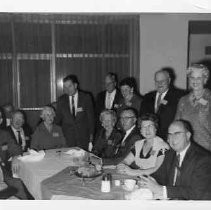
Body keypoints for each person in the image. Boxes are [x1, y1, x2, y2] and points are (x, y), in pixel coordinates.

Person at [139, 120, 211, 200]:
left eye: (177, 134)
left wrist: (162, 190)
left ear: (188, 135)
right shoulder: (170, 154)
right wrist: (148, 180)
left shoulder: (204, 159)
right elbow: (160, 176)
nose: (172, 138)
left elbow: (197, 192)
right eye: (169, 135)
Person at [141, 69, 185, 141]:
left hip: (170, 139)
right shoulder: (147, 97)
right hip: (149, 138)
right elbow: (142, 118)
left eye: (163, 81)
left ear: (169, 80)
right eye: (157, 81)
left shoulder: (179, 96)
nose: (159, 83)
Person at [175, 64, 211, 152]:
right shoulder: (183, 101)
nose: (195, 81)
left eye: (199, 78)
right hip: (186, 149)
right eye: (192, 77)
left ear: (205, 79)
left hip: (206, 149)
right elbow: (176, 125)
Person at [55, 74, 95, 150]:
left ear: (75, 85)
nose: (67, 89)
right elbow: (58, 120)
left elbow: (91, 119)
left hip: (83, 138)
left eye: (70, 86)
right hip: (68, 138)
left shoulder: (86, 97)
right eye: (65, 87)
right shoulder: (61, 100)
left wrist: (91, 136)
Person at [0, 128, 33, 199]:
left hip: (3, 170)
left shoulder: (4, 134)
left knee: (21, 181)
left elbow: (15, 147)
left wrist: (15, 156)